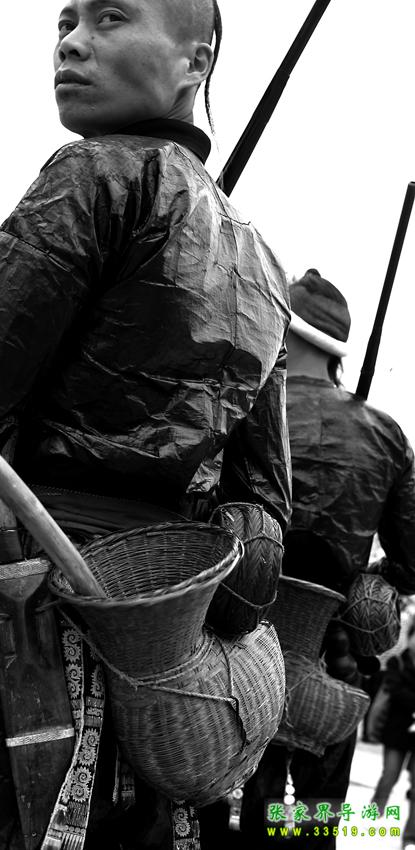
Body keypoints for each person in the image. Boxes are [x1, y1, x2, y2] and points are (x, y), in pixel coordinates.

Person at [0, 2, 291, 849]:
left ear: (195, 62)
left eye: (110, 18)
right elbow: (262, 523)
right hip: (150, 665)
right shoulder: (262, 262)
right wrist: (164, 609)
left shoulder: (94, 176)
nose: (73, 43)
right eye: (65, 22)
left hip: (12, 626)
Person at [210, 269, 415, 849]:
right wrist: (369, 579)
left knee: (235, 808)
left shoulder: (241, 404)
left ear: (284, 329)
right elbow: (412, 562)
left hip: (233, 648)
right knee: (313, 820)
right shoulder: (386, 436)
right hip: (334, 659)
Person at [372, 617, 415, 848]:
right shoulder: (397, 662)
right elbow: (395, 690)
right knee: (389, 775)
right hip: (397, 732)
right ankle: (373, 816)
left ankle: (410, 837)